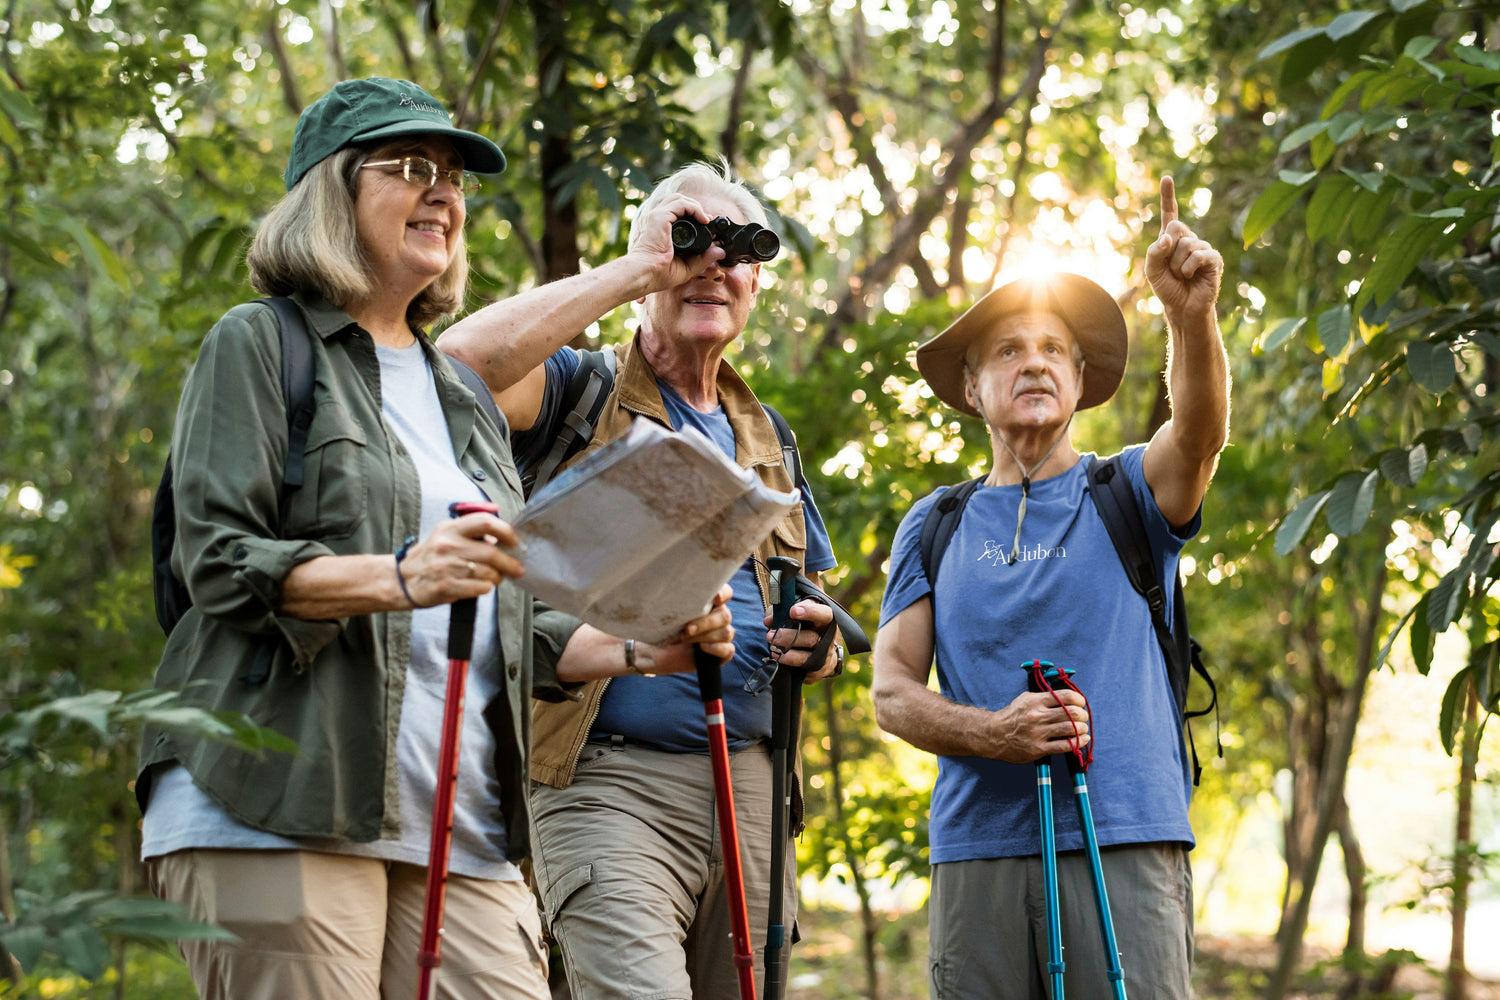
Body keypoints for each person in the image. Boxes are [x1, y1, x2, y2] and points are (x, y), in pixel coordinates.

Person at [134, 78, 732, 1000]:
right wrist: (400, 575)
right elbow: (216, 560)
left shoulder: (460, 398)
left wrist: (641, 645)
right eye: (412, 167)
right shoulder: (261, 343)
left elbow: (508, 618)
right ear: (331, 191)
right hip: (276, 799)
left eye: (454, 177)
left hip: (461, 825)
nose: (443, 193)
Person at [439, 160, 844, 999]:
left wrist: (822, 646)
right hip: (607, 782)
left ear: (757, 281)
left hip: (754, 788)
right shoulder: (577, 389)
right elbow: (459, 365)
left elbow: (809, 603)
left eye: (738, 250)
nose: (714, 266)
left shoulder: (770, 438)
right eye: (691, 243)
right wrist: (637, 269)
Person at [871, 177, 1228, 1000]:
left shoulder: (1129, 490)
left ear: (1077, 376)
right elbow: (891, 693)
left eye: (1052, 349)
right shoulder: (935, 523)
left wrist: (1190, 318)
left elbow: (1201, 434)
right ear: (971, 389)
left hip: (1126, 838)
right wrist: (994, 733)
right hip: (979, 854)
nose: (1032, 360)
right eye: (1007, 350)